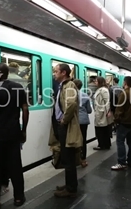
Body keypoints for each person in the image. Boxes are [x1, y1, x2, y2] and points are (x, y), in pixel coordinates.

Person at [0, 63, 29, 208]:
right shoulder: (18, 87)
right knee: (15, 166)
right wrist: (24, 130)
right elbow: (25, 109)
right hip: (14, 133)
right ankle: (19, 198)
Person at [50, 63, 82, 198]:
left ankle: (71, 188)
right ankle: (69, 184)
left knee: (68, 158)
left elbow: (72, 104)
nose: (54, 74)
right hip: (62, 126)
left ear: (63, 73)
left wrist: (64, 121)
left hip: (66, 126)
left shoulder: (69, 86)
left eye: (56, 71)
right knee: (66, 157)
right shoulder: (64, 86)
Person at [111, 76, 131, 170]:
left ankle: (121, 162)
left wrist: (116, 120)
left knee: (120, 142)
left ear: (125, 83)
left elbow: (119, 108)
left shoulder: (124, 93)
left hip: (124, 122)